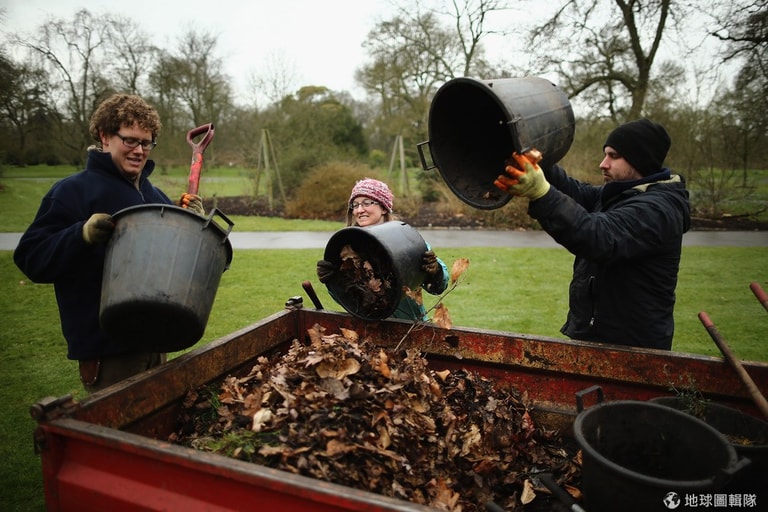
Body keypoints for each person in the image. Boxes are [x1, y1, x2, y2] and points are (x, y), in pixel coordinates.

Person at [14, 93, 205, 393]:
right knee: (119, 437)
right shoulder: (73, 191)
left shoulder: (152, 195)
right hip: (108, 353)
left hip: (156, 341)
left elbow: (175, 263)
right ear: (105, 136)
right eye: (129, 140)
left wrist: (193, 227)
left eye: (146, 142)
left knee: (158, 431)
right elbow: (30, 257)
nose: (139, 150)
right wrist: (80, 235)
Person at [494, 119, 691, 350]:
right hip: (598, 340)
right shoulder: (619, 195)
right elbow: (574, 191)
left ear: (641, 159)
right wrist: (531, 160)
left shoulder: (657, 209)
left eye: (614, 156)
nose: (603, 164)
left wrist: (541, 193)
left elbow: (598, 237)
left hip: (633, 351)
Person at [316, 178, 450, 321]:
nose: (359, 210)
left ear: (384, 207)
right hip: (368, 327)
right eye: (355, 205)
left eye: (367, 203)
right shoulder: (347, 247)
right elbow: (350, 301)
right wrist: (333, 282)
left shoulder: (405, 240)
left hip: (408, 326)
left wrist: (435, 272)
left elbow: (437, 288)